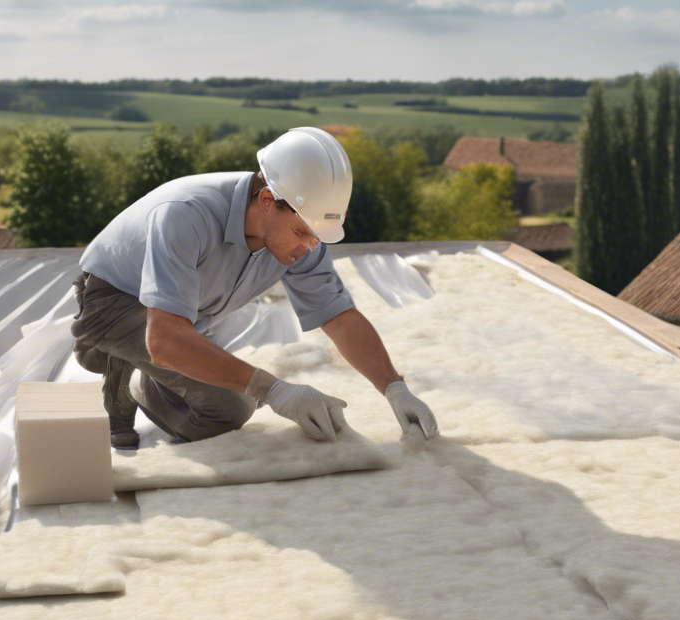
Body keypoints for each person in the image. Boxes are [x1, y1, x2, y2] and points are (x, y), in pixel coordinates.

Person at [70, 126, 438, 448]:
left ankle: (141, 365)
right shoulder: (185, 215)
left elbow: (339, 316)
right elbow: (166, 339)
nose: (311, 247)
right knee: (230, 408)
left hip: (182, 317)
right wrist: (274, 390)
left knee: (220, 379)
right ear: (267, 201)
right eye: (302, 232)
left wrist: (394, 388)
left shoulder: (299, 234)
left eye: (318, 237)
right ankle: (134, 375)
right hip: (111, 302)